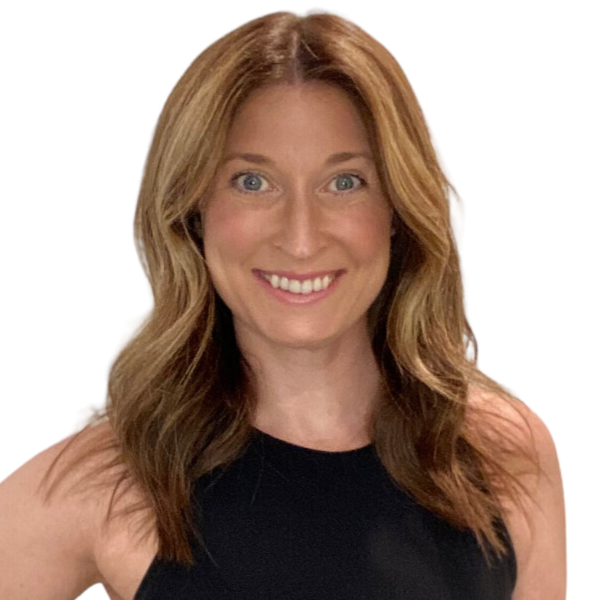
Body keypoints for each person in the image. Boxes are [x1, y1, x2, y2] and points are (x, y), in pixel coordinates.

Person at [0, 8, 567, 600]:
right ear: (194, 211)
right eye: (252, 182)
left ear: (397, 210)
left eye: (344, 182)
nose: (300, 239)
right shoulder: (109, 485)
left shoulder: (505, 452)